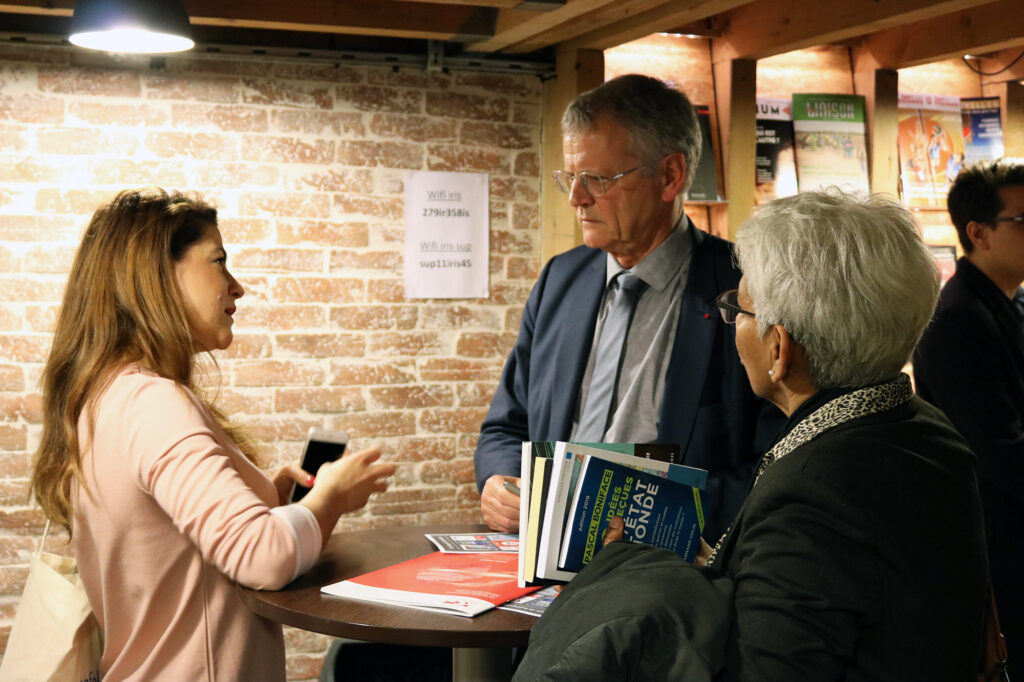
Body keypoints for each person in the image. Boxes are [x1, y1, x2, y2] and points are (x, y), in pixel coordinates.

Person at [513, 189, 988, 682]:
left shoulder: (813, 492)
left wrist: (624, 577)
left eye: (738, 310)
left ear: (779, 349)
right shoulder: (923, 430)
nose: (732, 325)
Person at [29, 188, 395, 681]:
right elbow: (262, 556)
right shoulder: (152, 403)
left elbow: (164, 541)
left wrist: (264, 496)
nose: (236, 287)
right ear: (157, 277)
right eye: (219, 262)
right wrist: (330, 499)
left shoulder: (105, 397)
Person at [474, 74, 779, 541]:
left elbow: (775, 466)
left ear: (670, 176)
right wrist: (498, 481)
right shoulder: (560, 279)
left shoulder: (748, 289)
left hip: (671, 566)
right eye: (570, 178)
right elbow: (506, 425)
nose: (576, 199)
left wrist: (646, 521)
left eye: (596, 180)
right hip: (544, 555)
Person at [914, 159, 1024, 676]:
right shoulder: (959, 317)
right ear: (979, 233)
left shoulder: (1004, 301)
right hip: (998, 549)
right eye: (1022, 220)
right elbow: (1001, 453)